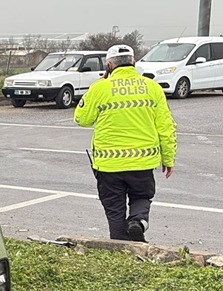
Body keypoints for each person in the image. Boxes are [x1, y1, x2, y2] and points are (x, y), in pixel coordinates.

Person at [74, 44, 176, 242]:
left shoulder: (100, 88)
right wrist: (168, 158)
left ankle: (122, 247)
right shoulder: (152, 87)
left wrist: (96, 88)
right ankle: (138, 221)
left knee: (115, 212)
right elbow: (166, 126)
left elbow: (81, 119)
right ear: (134, 62)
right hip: (142, 163)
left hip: (109, 165)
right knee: (141, 198)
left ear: (109, 65)